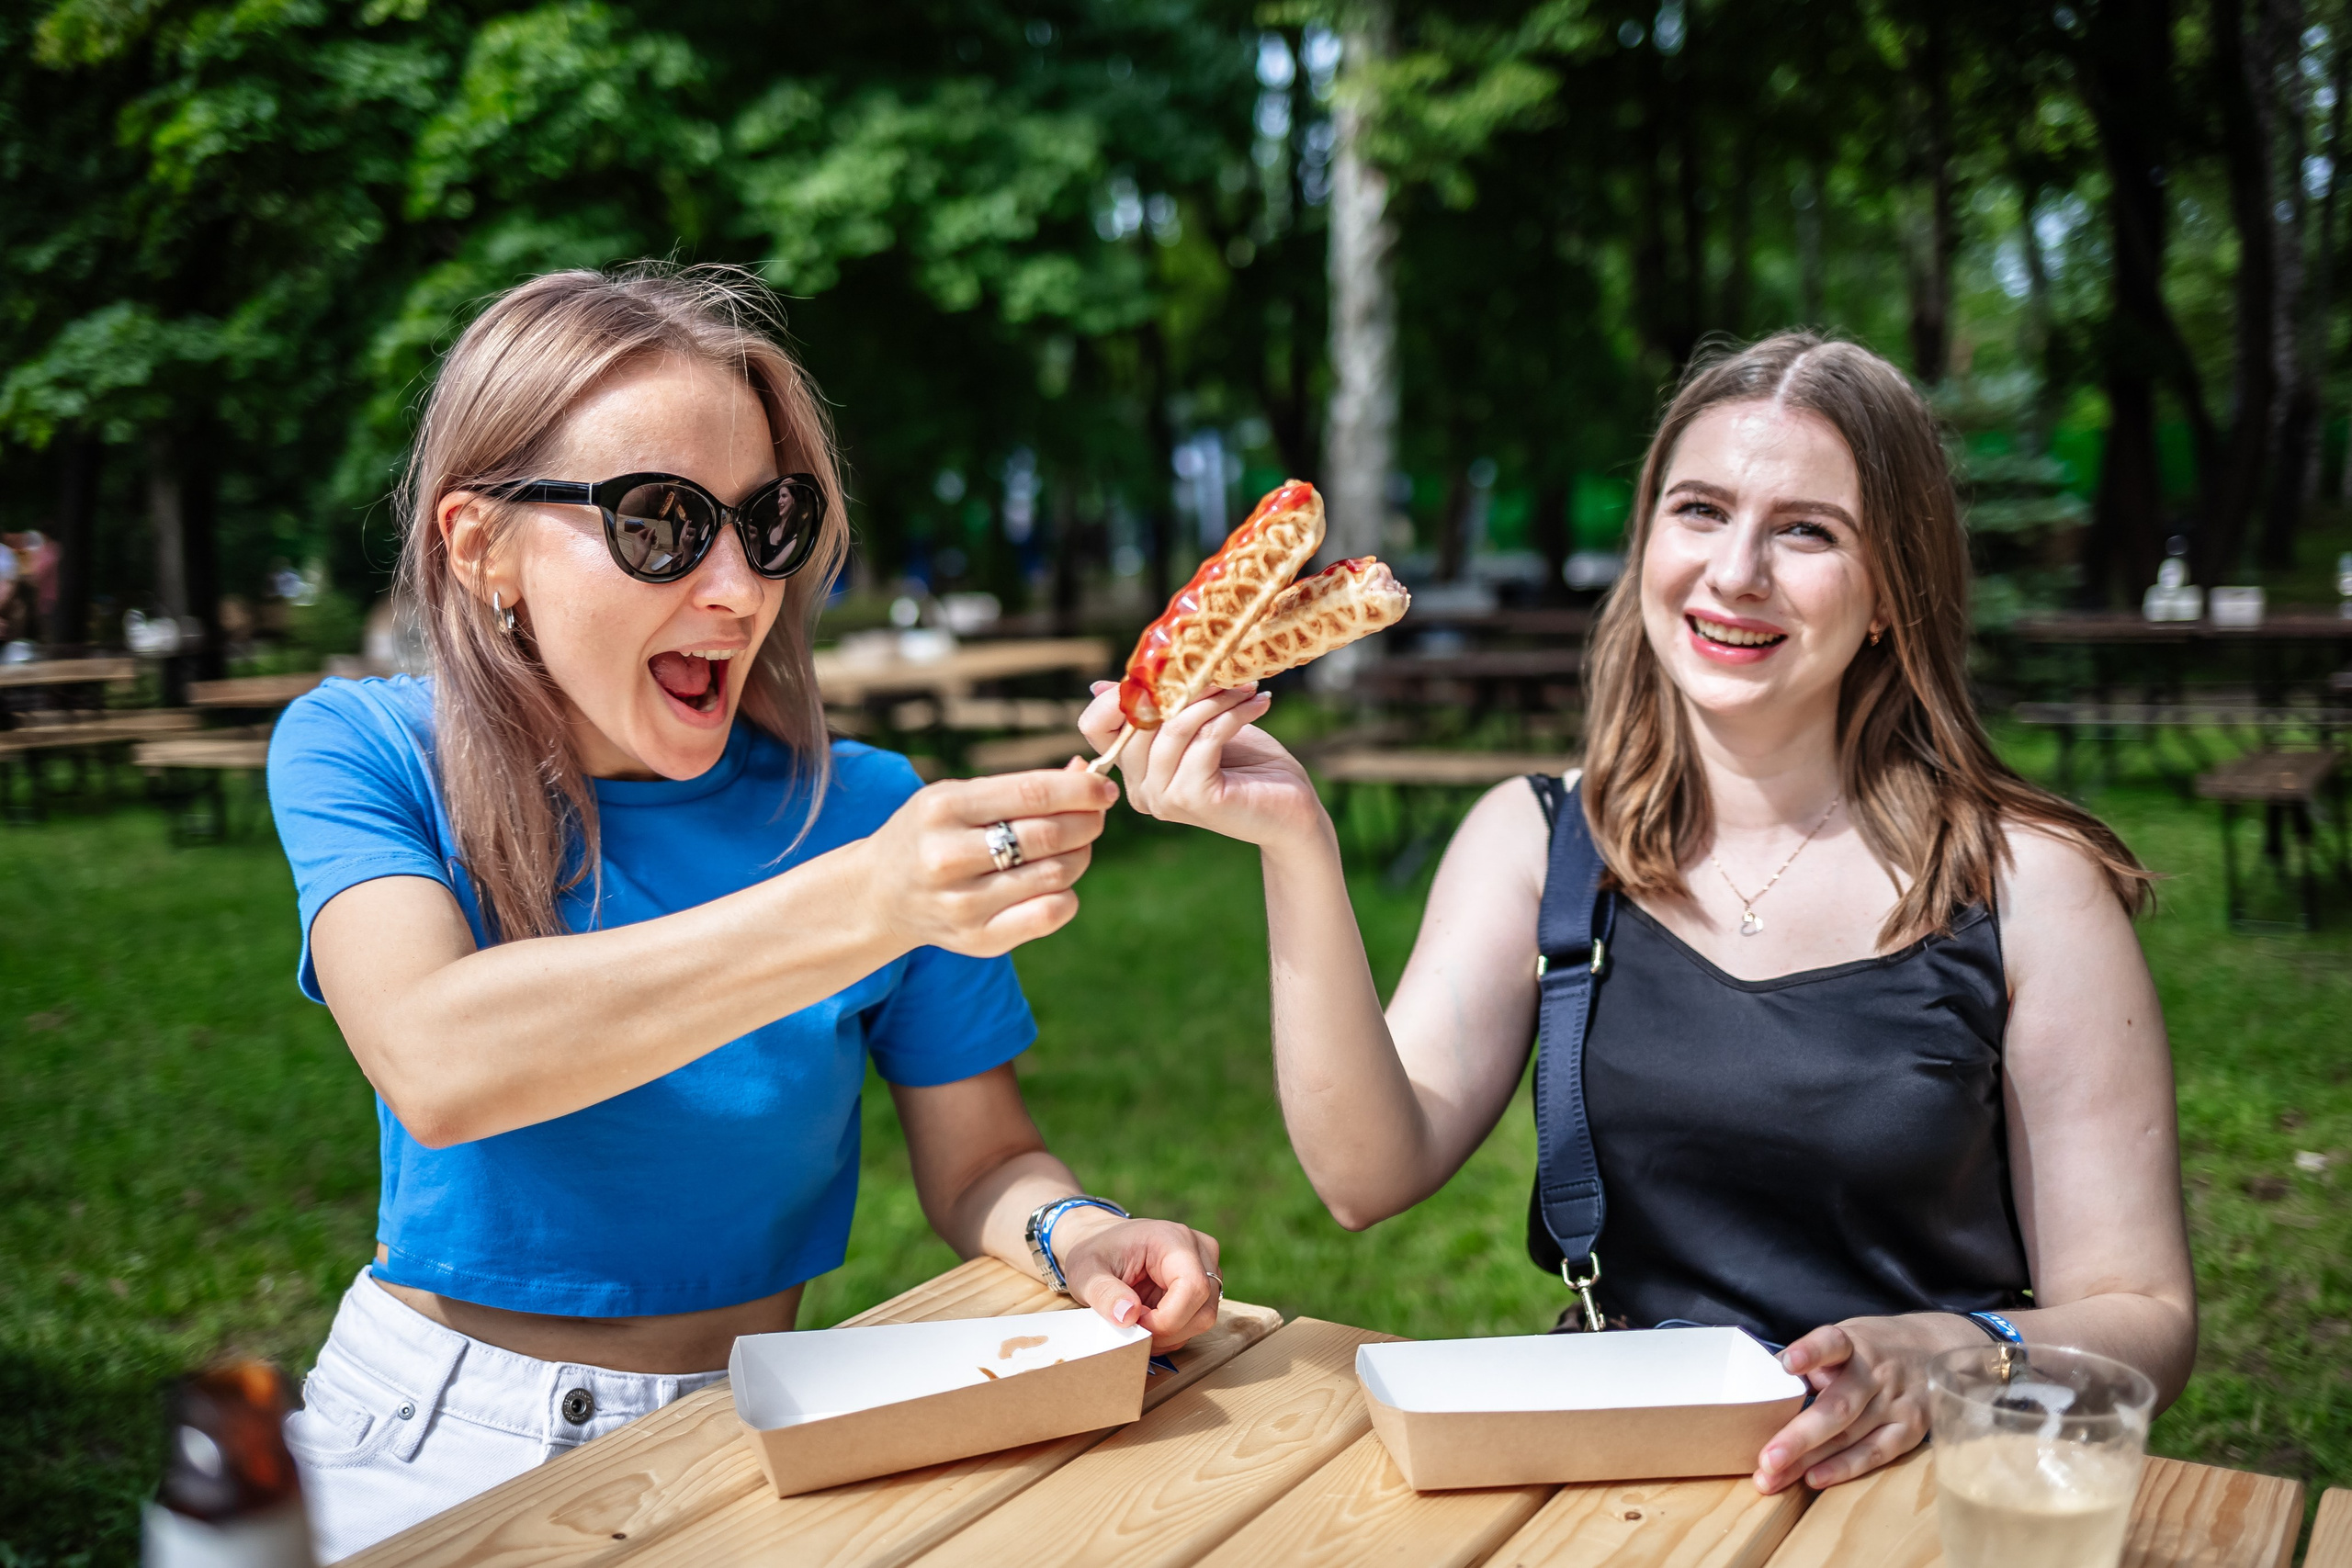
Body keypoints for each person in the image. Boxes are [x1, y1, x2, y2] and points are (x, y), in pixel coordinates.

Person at [1081, 333, 2195, 1495]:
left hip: (1928, 1490)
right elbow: (1364, 1173)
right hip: (1616, 1479)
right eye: (1699, 511)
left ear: (1890, 592)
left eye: (1807, 530)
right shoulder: (1539, 842)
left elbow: (2147, 1317)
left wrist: (1966, 1350)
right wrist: (1295, 841)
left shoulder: (2027, 884)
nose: (1735, 572)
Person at [267, 265, 1221, 1560]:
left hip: (765, 1429)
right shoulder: (362, 747)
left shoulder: (871, 804)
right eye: (661, 522)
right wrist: (870, 898)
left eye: (766, 523)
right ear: (480, 544)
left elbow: (985, 1159)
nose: (737, 590)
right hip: (429, 1432)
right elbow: (439, 1057)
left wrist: (1083, 1232)